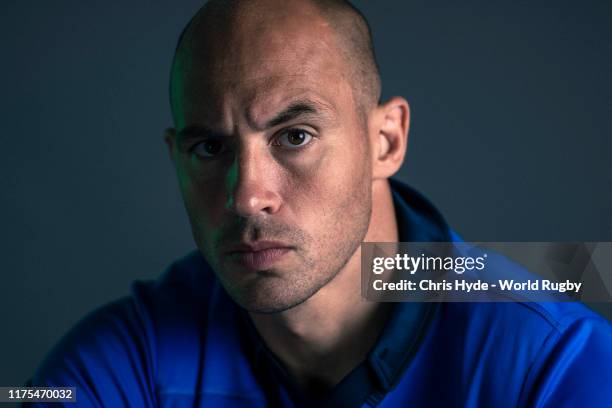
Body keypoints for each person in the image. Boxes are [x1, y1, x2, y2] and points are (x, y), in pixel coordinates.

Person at [29, 0, 612, 406]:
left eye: (295, 136)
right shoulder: (125, 359)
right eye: (210, 146)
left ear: (386, 141)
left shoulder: (554, 360)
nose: (247, 196)